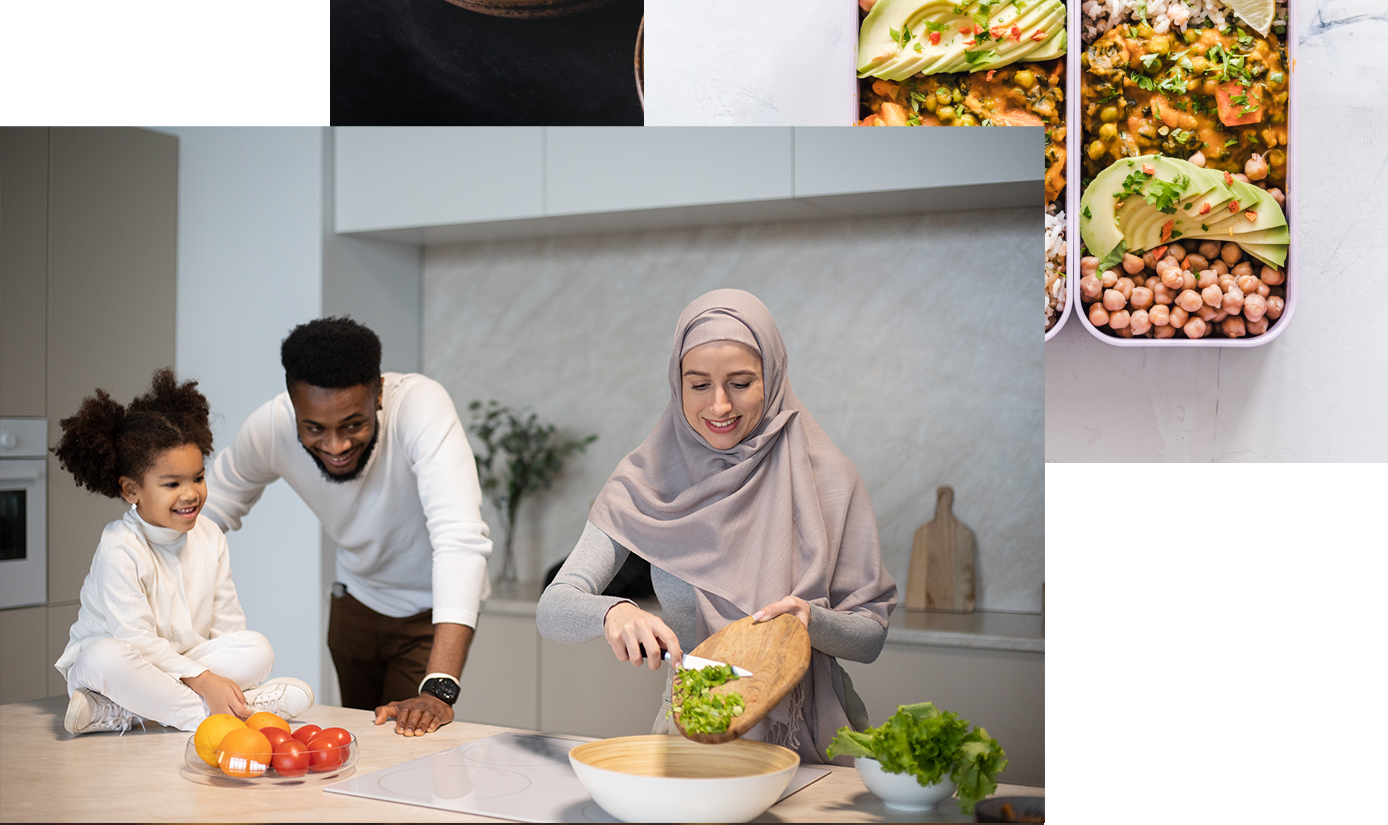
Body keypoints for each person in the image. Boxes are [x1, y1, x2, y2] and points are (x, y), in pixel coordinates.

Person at [536, 289, 897, 765]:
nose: (720, 406)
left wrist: (810, 622)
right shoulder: (644, 480)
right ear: (676, 384)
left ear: (773, 376)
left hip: (815, 734)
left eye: (741, 383)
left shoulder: (828, 478)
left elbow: (869, 638)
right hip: (692, 735)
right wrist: (613, 613)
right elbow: (553, 608)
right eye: (699, 384)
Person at [203, 317, 491, 737]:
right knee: (359, 744)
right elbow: (204, 515)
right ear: (292, 403)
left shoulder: (419, 406)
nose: (335, 446)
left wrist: (440, 689)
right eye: (314, 428)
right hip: (354, 604)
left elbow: (459, 538)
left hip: (429, 612)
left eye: (352, 425)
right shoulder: (271, 426)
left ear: (377, 393)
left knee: (405, 746)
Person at [52, 368, 312, 736]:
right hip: (121, 666)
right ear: (131, 490)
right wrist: (206, 682)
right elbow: (135, 642)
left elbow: (228, 627)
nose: (191, 493)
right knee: (103, 656)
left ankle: (125, 712)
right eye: (172, 483)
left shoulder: (209, 535)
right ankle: (224, 716)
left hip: (183, 665)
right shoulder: (119, 547)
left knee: (257, 648)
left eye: (198, 477)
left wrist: (219, 673)